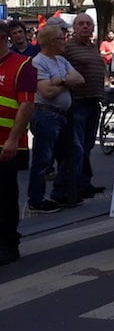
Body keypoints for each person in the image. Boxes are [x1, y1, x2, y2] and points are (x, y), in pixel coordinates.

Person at [26, 24, 85, 213]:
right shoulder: (38, 62)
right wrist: (66, 81)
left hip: (62, 115)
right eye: (61, 38)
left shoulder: (61, 60)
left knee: (74, 151)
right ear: (51, 41)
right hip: (46, 114)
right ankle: (36, 199)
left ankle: (60, 192)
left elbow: (80, 79)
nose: (65, 41)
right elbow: (47, 91)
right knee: (43, 159)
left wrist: (60, 80)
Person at [59, 12, 108, 203]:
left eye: (89, 24)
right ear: (74, 28)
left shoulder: (93, 47)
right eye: (81, 24)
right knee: (77, 147)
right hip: (77, 102)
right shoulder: (68, 48)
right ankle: (71, 186)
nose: (86, 27)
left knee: (87, 146)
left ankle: (85, 183)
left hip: (93, 101)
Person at [0, 21, 37, 266]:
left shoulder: (23, 65)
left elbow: (26, 105)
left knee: (4, 195)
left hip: (9, 144)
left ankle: (8, 243)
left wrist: (13, 139)